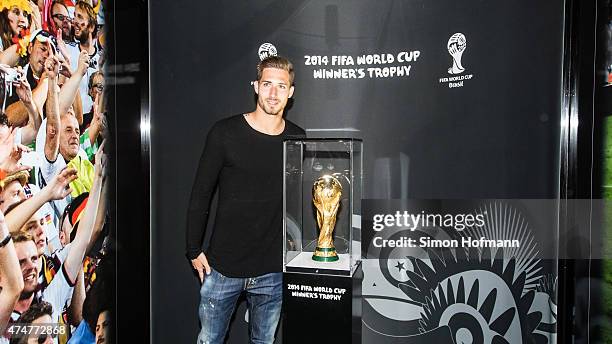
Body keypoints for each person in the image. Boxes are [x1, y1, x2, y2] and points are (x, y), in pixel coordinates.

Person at [186, 55, 304, 344]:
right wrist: (192, 248)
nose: (273, 93)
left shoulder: (298, 138)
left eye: (281, 86)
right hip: (223, 267)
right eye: (267, 84)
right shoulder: (225, 133)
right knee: (209, 341)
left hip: (273, 270)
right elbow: (201, 192)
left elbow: (300, 202)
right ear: (256, 87)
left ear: (290, 92)